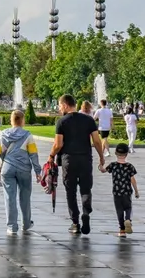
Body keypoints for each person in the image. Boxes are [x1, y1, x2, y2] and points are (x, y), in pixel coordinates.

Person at [47, 94, 105, 235]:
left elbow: (58, 144)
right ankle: (86, 212)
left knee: (70, 191)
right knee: (86, 189)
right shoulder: (88, 120)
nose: (59, 109)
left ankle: (75, 222)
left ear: (66, 105)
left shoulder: (61, 122)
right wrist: (101, 157)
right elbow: (97, 141)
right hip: (85, 158)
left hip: (69, 160)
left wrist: (51, 156)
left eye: (60, 106)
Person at [0, 110, 42, 235]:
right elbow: (33, 154)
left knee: (9, 197)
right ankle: (26, 224)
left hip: (7, 169)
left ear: (11, 120)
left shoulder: (3, 135)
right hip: (24, 170)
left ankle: (12, 226)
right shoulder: (27, 136)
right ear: (23, 121)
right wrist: (38, 171)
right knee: (25, 197)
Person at [105, 143, 140, 237]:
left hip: (116, 192)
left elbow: (104, 170)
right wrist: (136, 191)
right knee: (128, 207)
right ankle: (128, 219)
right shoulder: (130, 166)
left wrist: (100, 167)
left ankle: (122, 230)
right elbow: (133, 180)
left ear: (116, 153)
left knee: (119, 210)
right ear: (127, 154)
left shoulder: (113, 165)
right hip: (127, 191)